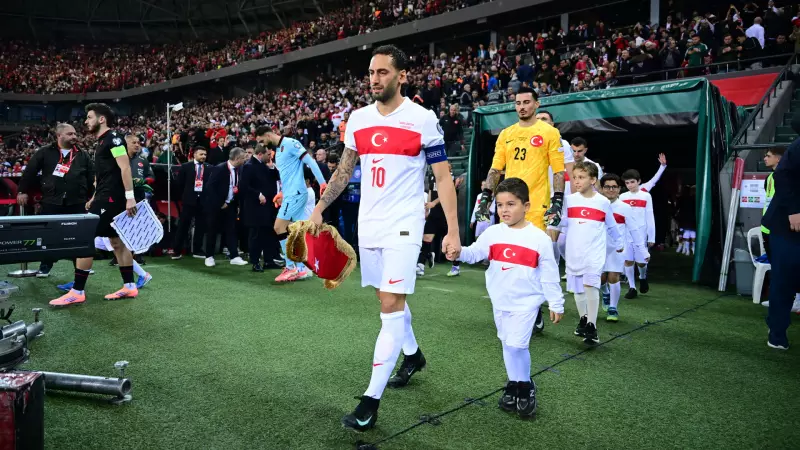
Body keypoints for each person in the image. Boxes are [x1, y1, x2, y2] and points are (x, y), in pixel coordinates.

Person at [308, 44, 460, 431]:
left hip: (405, 226)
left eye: (382, 73)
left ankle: (370, 401)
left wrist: (453, 231)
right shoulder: (358, 119)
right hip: (369, 225)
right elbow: (344, 171)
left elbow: (443, 178)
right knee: (384, 299)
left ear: (401, 76)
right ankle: (413, 355)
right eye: (371, 73)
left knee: (390, 306)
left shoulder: (423, 119)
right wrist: (320, 207)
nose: (374, 80)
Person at [447, 177, 564, 418]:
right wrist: (458, 252)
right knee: (506, 343)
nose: (504, 210)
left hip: (527, 302)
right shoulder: (492, 233)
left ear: (527, 206)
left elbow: (550, 275)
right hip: (500, 301)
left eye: (511, 204)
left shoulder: (539, 239)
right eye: (500, 205)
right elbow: (474, 253)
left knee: (516, 345)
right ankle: (514, 383)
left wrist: (556, 302)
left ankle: (526, 387)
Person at [49, 103, 139, 306]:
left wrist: (130, 197)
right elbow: (106, 175)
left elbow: (125, 168)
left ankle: (77, 291)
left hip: (112, 198)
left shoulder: (114, 138)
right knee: (117, 241)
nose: (86, 121)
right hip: (105, 197)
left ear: (101, 119)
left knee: (85, 237)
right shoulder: (102, 141)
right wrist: (94, 197)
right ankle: (130, 287)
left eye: (89, 117)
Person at [475, 87, 565, 237]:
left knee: (532, 252)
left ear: (537, 104)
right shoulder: (506, 134)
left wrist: (557, 202)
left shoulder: (550, 132)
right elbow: (495, 170)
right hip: (509, 204)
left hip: (536, 205)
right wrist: (485, 198)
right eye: (518, 103)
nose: (522, 107)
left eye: (526, 102)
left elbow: (558, 171)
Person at [550, 162, 623, 344]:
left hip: (594, 254)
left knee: (591, 286)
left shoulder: (603, 202)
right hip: (574, 252)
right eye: (574, 177)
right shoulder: (570, 200)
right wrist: (553, 220)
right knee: (577, 288)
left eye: (581, 177)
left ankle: (592, 325)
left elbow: (612, 226)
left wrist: (620, 243)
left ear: (593, 180)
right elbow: (565, 222)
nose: (576, 181)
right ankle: (583, 319)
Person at [17, 123, 94, 278]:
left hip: (77, 200)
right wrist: (22, 191)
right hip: (52, 200)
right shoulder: (45, 152)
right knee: (49, 235)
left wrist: (92, 197)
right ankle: (45, 266)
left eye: (75, 134)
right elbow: (30, 171)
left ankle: (80, 267)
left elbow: (91, 176)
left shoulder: (82, 154)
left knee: (78, 235)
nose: (74, 136)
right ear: (59, 136)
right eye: (70, 134)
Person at [255, 127, 327, 282]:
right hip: (290, 193)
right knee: (300, 230)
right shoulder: (279, 149)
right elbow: (287, 175)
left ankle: (290, 267)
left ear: (267, 135)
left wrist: (322, 183)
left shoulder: (290, 143)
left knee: (279, 227)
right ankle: (302, 267)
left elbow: (311, 162)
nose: (261, 144)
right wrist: (282, 192)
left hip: (296, 194)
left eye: (261, 140)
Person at [763, 109, 800, 350]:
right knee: (784, 279)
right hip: (785, 225)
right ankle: (777, 334)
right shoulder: (797, 148)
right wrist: (794, 211)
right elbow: (782, 177)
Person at [599, 174, 647, 322]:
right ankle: (605, 293)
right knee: (600, 279)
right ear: (602, 188)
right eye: (607, 186)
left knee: (613, 277)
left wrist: (642, 250)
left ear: (619, 189)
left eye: (614, 187)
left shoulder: (625, 208)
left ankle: (613, 308)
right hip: (597, 248)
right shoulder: (596, 204)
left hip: (617, 248)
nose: (611, 189)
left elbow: (634, 230)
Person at [240, 144, 282, 272]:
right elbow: (243, 186)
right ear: (260, 154)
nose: (270, 157)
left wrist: (272, 167)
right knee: (256, 235)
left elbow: (277, 177)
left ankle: (269, 261)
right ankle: (255, 261)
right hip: (255, 208)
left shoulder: (264, 165)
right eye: (268, 155)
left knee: (269, 233)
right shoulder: (248, 166)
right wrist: (258, 194)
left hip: (268, 206)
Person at [204, 147, 248, 267]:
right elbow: (210, 188)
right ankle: (209, 256)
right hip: (216, 206)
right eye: (243, 158)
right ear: (237, 158)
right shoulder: (220, 168)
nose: (245, 160)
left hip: (231, 204)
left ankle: (234, 256)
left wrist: (236, 204)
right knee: (212, 230)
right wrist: (220, 203)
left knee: (231, 230)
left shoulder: (240, 169)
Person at [58, 237, 152, 291]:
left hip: (106, 220)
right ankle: (77, 283)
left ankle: (142, 275)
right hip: (100, 219)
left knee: (119, 252)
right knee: (85, 245)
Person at [620, 169, 656, 298]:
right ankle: (632, 287)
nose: (630, 185)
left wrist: (651, 236)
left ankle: (642, 276)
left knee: (641, 262)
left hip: (641, 234)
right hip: (626, 234)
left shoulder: (646, 196)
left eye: (632, 182)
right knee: (628, 261)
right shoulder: (622, 197)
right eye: (627, 183)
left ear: (639, 182)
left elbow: (650, 216)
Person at [171, 147, 210, 259]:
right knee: (183, 226)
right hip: (188, 201)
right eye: (201, 154)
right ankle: (176, 250)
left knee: (200, 226)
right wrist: (184, 197)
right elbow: (179, 184)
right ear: (195, 155)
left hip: (202, 201)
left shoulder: (209, 168)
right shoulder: (185, 167)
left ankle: (197, 250)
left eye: (205, 154)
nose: (203, 156)